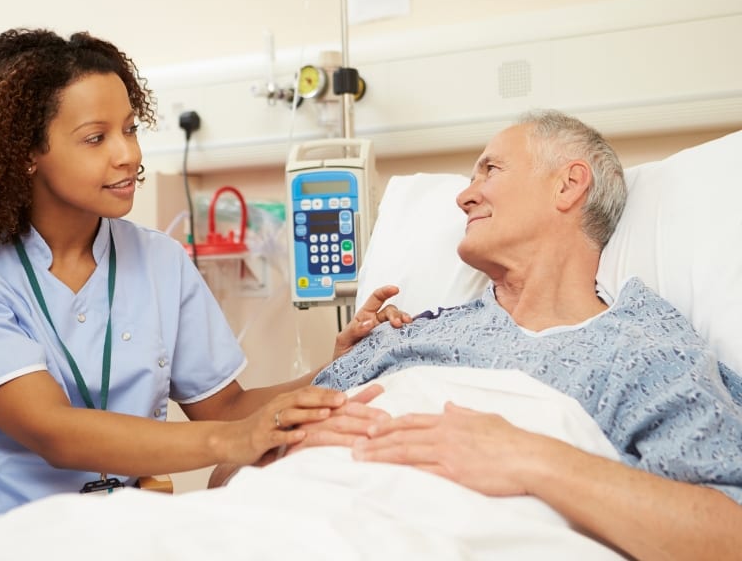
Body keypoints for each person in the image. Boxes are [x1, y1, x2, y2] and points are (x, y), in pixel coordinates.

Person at [0, 27, 403, 517]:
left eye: (130, 128)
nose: (128, 154)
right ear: (25, 155)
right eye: (96, 138)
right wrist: (233, 441)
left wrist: (336, 369)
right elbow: (53, 431)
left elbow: (225, 408)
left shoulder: (160, 261)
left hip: (121, 523)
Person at [287, 110, 741, 560]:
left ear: (568, 185)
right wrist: (281, 447)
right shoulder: (400, 334)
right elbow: (230, 467)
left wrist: (530, 459)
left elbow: (728, 534)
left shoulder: (642, 351)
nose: (464, 196)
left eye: (490, 169)